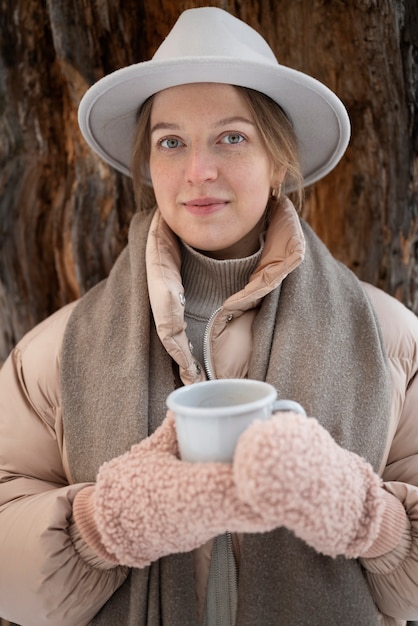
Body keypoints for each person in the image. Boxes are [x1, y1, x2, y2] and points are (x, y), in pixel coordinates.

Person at [0, 6, 417, 626]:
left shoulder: (391, 339)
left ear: (278, 160)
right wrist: (102, 524)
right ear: (149, 165)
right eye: (172, 142)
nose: (199, 171)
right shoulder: (53, 353)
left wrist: (368, 518)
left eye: (232, 137)